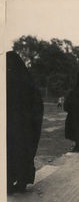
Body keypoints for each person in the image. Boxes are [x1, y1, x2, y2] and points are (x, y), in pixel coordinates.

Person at [7, 51, 44, 194]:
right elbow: (38, 106)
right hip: (26, 129)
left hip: (12, 127)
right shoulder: (28, 82)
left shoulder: (8, 80)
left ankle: (9, 184)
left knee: (10, 154)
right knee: (24, 154)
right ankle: (22, 182)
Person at [64, 71, 79, 152]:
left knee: (75, 131)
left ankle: (77, 146)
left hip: (74, 116)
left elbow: (66, 106)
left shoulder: (73, 91)